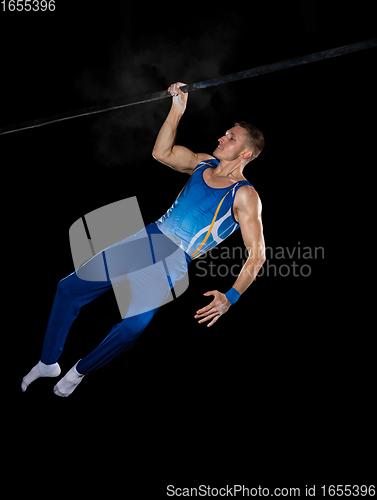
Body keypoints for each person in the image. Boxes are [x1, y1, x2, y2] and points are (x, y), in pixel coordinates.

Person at [21, 82, 266, 397]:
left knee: (132, 329)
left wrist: (231, 296)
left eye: (231, 137)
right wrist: (177, 109)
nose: (221, 137)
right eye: (224, 133)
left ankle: (79, 371)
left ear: (245, 152)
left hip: (175, 259)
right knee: (68, 288)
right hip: (149, 238)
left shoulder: (245, 195)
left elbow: (257, 255)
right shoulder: (203, 162)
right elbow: (161, 153)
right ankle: (47, 362)